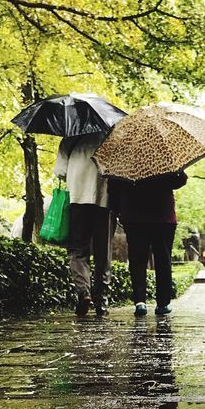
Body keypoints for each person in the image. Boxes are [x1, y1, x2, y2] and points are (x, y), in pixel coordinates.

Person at [108, 170, 187, 316]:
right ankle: (163, 303)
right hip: (162, 213)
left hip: (134, 214)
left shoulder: (125, 158)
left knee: (137, 259)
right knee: (163, 259)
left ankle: (140, 302)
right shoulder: (164, 155)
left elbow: (113, 185)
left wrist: (118, 209)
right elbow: (180, 181)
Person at [53, 132, 112, 316]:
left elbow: (60, 172)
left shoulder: (70, 138)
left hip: (77, 199)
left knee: (77, 249)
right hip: (104, 200)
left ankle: (83, 292)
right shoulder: (111, 136)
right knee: (103, 251)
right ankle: (101, 300)